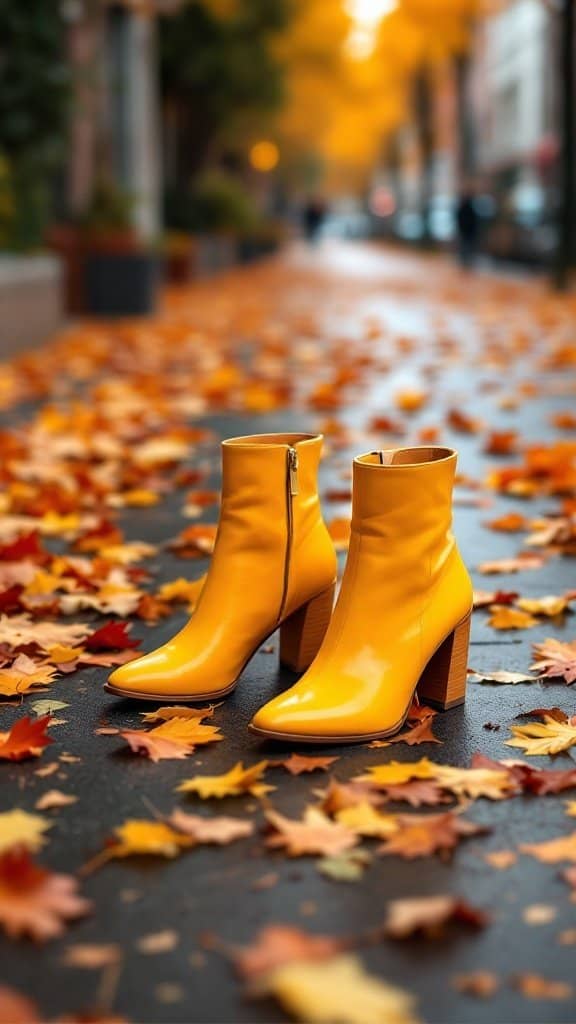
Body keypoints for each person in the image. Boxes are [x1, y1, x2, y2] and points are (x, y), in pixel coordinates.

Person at [455, 189, 480, 268]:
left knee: (467, 248)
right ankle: (465, 263)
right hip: (467, 232)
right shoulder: (468, 208)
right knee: (466, 248)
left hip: (467, 232)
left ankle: (466, 263)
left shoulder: (468, 208)